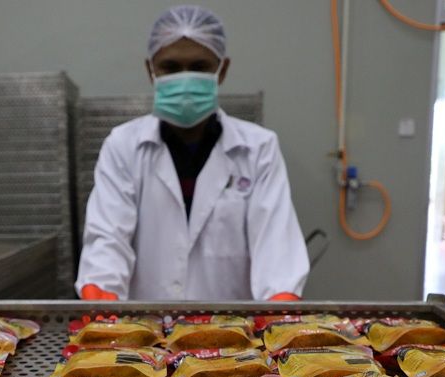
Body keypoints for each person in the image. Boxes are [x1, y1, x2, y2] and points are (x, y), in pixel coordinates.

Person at [76, 5, 309, 301]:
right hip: (146, 336)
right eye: (171, 68)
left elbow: (276, 248)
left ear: (221, 70)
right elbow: (108, 238)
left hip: (234, 337)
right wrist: (102, 294)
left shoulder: (258, 149)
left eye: (199, 67)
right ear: (151, 70)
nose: (185, 80)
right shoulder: (123, 146)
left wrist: (279, 305)